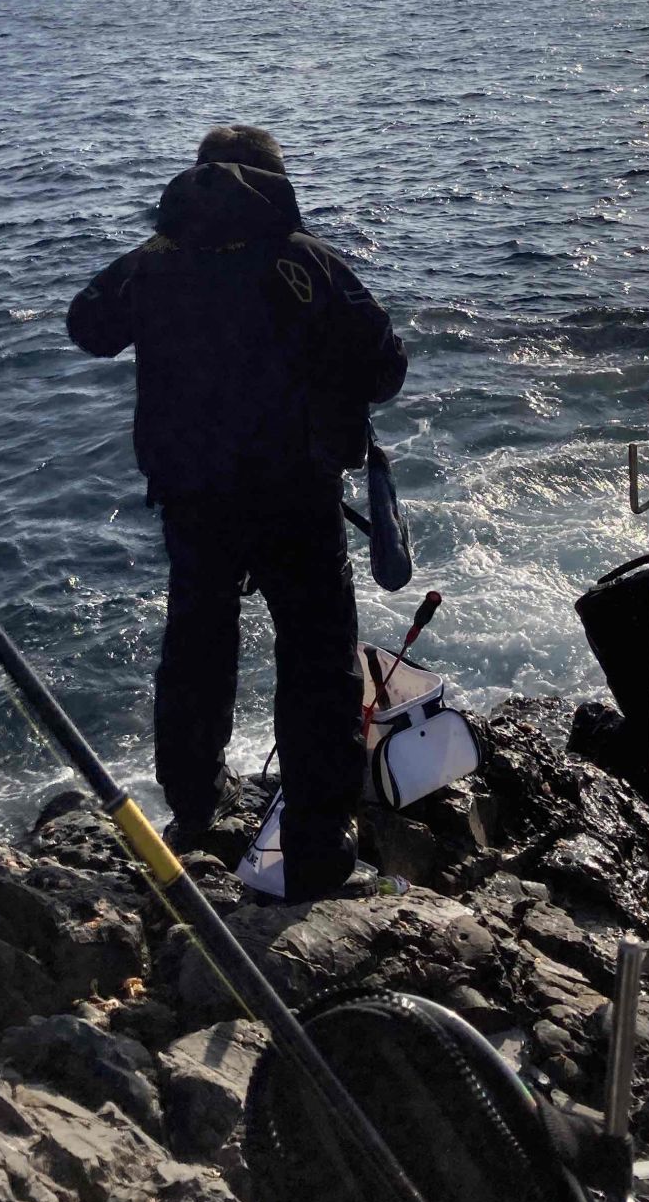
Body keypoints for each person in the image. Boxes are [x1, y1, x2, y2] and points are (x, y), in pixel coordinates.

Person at [67, 123, 407, 900]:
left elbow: (87, 327)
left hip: (193, 499)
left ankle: (193, 812)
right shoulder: (307, 263)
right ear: (275, 184)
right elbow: (386, 367)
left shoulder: (154, 265)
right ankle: (319, 841)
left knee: (196, 647)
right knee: (318, 658)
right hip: (297, 494)